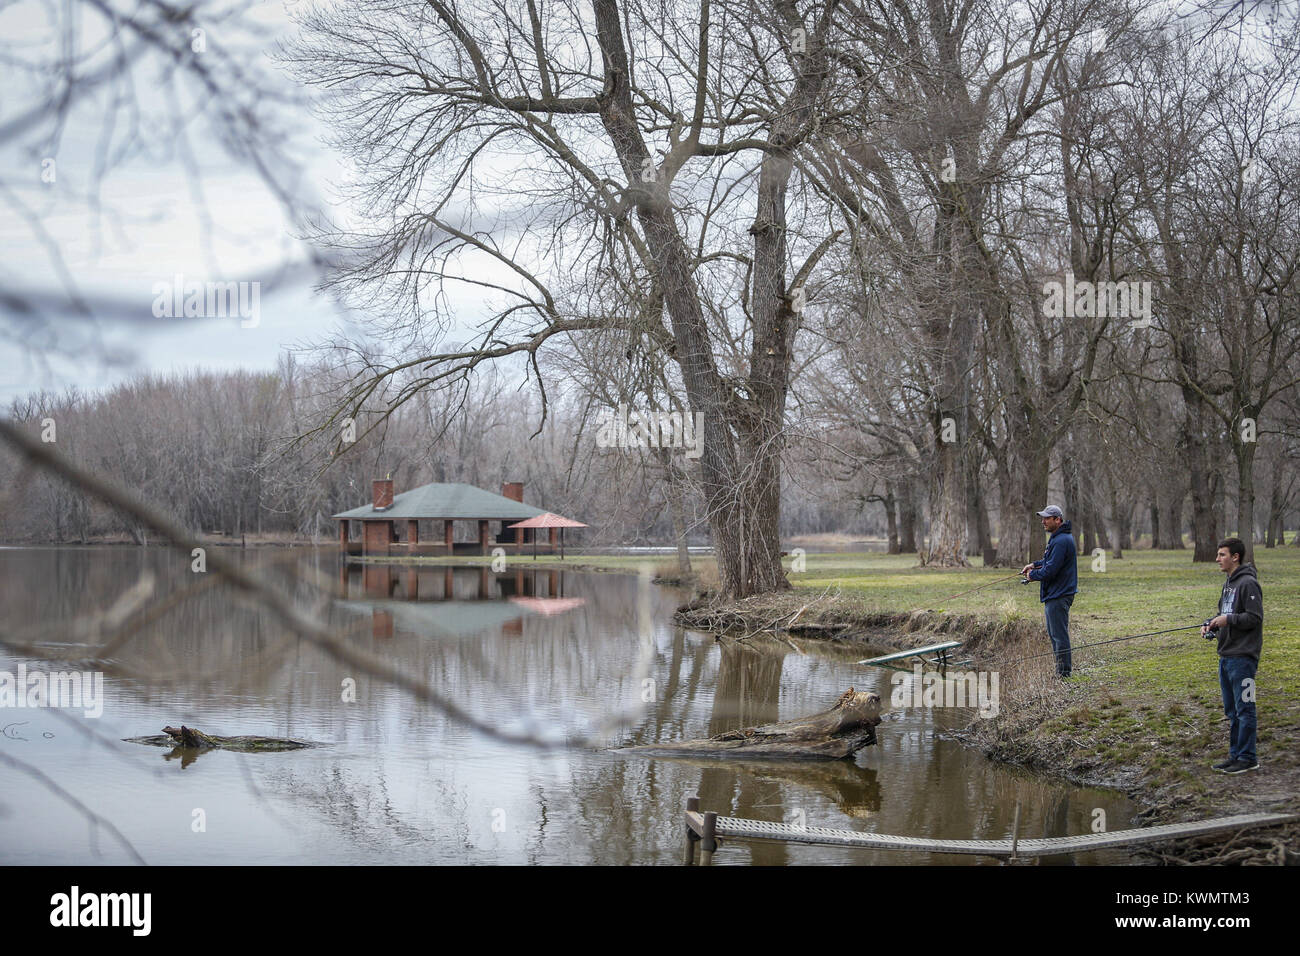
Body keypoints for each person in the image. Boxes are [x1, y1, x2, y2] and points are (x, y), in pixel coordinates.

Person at [1201, 538, 1263, 774]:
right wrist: (1210, 624)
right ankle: (1235, 755)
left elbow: (1254, 618)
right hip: (1226, 656)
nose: (1217, 559)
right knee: (1232, 711)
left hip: (1244, 658)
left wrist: (1228, 620)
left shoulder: (1248, 583)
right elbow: (1223, 613)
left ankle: (1248, 758)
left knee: (1245, 708)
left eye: (1222, 555)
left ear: (1235, 557)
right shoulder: (1229, 584)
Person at [1021, 505, 1078, 678]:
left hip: (1059, 594)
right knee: (1055, 635)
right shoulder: (1058, 538)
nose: (1043, 521)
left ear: (1057, 520)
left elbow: (1051, 570)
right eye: (1043, 518)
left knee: (1059, 636)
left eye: (1047, 518)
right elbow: (1049, 561)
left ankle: (1064, 673)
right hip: (1056, 593)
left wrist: (1033, 576)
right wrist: (1034, 565)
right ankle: (1061, 671)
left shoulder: (1061, 540)